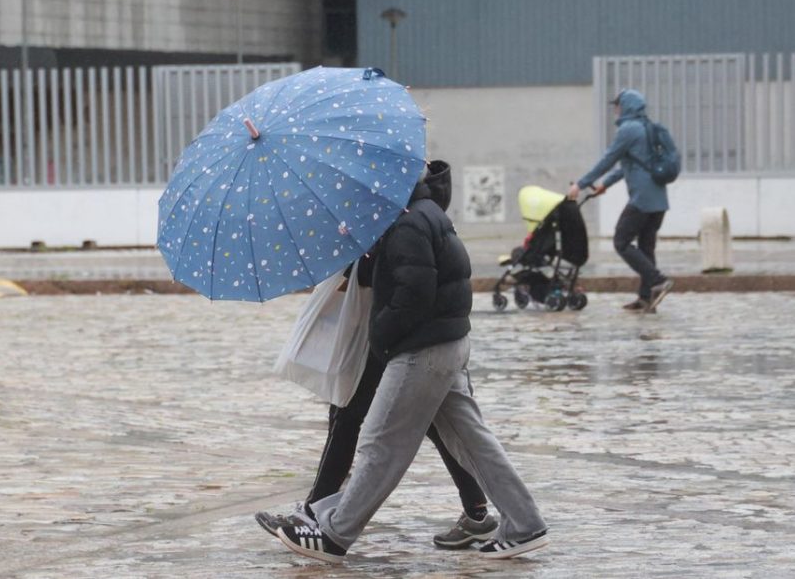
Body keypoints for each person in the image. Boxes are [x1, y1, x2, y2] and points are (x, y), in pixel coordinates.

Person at [274, 160, 549, 563]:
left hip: (422, 350)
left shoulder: (406, 225)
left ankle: (334, 535)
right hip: (448, 342)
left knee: (379, 443)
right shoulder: (422, 213)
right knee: (471, 441)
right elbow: (400, 275)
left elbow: (413, 295)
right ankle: (526, 525)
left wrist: (380, 335)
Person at [568, 89, 674, 313]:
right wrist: (605, 185)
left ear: (626, 106)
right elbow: (628, 165)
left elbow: (609, 159)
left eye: (617, 105)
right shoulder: (645, 127)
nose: (615, 110)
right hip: (659, 199)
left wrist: (580, 183)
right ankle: (646, 299)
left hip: (642, 199)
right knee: (646, 247)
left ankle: (657, 280)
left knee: (621, 241)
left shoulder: (628, 130)